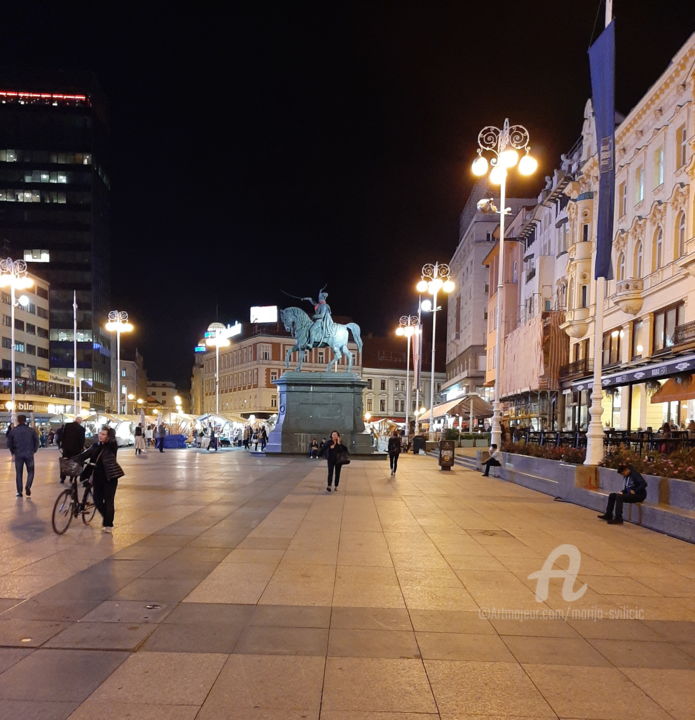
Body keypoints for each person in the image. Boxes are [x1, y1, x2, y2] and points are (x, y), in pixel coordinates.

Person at [76, 427, 123, 533]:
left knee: (108, 501)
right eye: (100, 433)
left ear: (109, 436)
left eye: (104, 434)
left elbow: (112, 443)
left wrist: (110, 437)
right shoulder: (96, 446)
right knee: (97, 501)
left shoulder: (111, 446)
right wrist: (73, 459)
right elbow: (85, 455)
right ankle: (107, 518)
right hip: (98, 477)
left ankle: (108, 524)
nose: (100, 436)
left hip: (110, 477)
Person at [8, 414, 39, 497]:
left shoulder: (13, 431)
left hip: (18, 454)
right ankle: (28, 486)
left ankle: (19, 492)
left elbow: (9, 443)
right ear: (25, 420)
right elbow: (36, 441)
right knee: (31, 471)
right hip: (29, 454)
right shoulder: (31, 430)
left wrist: (13, 453)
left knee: (19, 473)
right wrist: (34, 450)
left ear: (18, 420)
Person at [58, 416, 86, 483]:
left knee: (65, 462)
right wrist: (82, 448)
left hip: (66, 449)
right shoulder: (81, 429)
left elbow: (63, 435)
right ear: (80, 421)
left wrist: (62, 446)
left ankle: (62, 478)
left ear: (75, 420)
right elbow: (82, 440)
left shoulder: (67, 425)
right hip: (76, 450)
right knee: (75, 463)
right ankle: (72, 478)